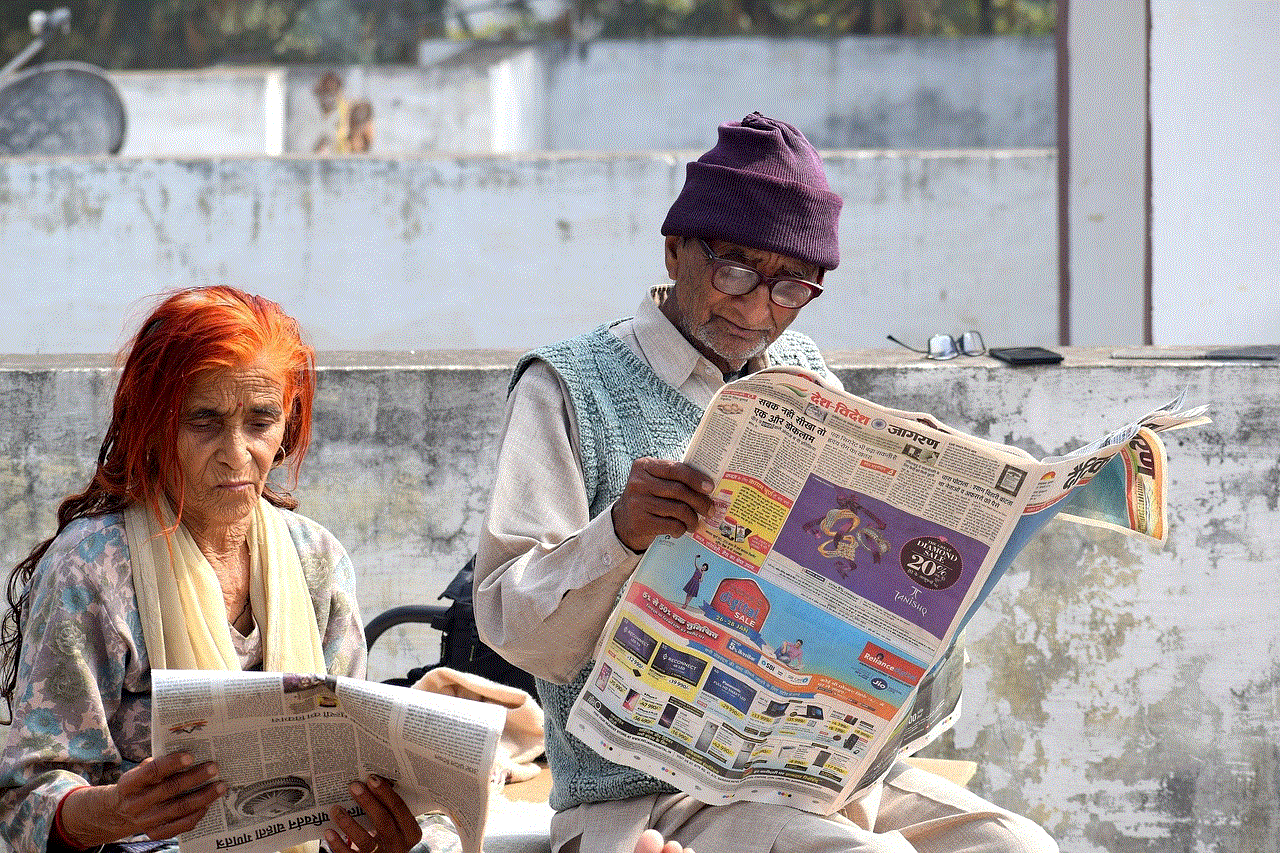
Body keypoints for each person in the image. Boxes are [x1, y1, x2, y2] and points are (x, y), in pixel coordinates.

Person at [474, 113, 1059, 853]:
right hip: (649, 797)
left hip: (817, 776)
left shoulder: (803, 372)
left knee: (1017, 845)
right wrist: (620, 531)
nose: (756, 309)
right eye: (736, 272)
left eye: (790, 287)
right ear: (675, 248)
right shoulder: (569, 383)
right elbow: (509, 621)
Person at [0, 287, 423, 853]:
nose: (237, 452)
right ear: (154, 425)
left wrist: (376, 826)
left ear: (288, 424)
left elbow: (350, 762)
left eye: (260, 421)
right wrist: (114, 811)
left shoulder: (316, 559)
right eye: (204, 422)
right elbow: (24, 799)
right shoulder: (93, 570)